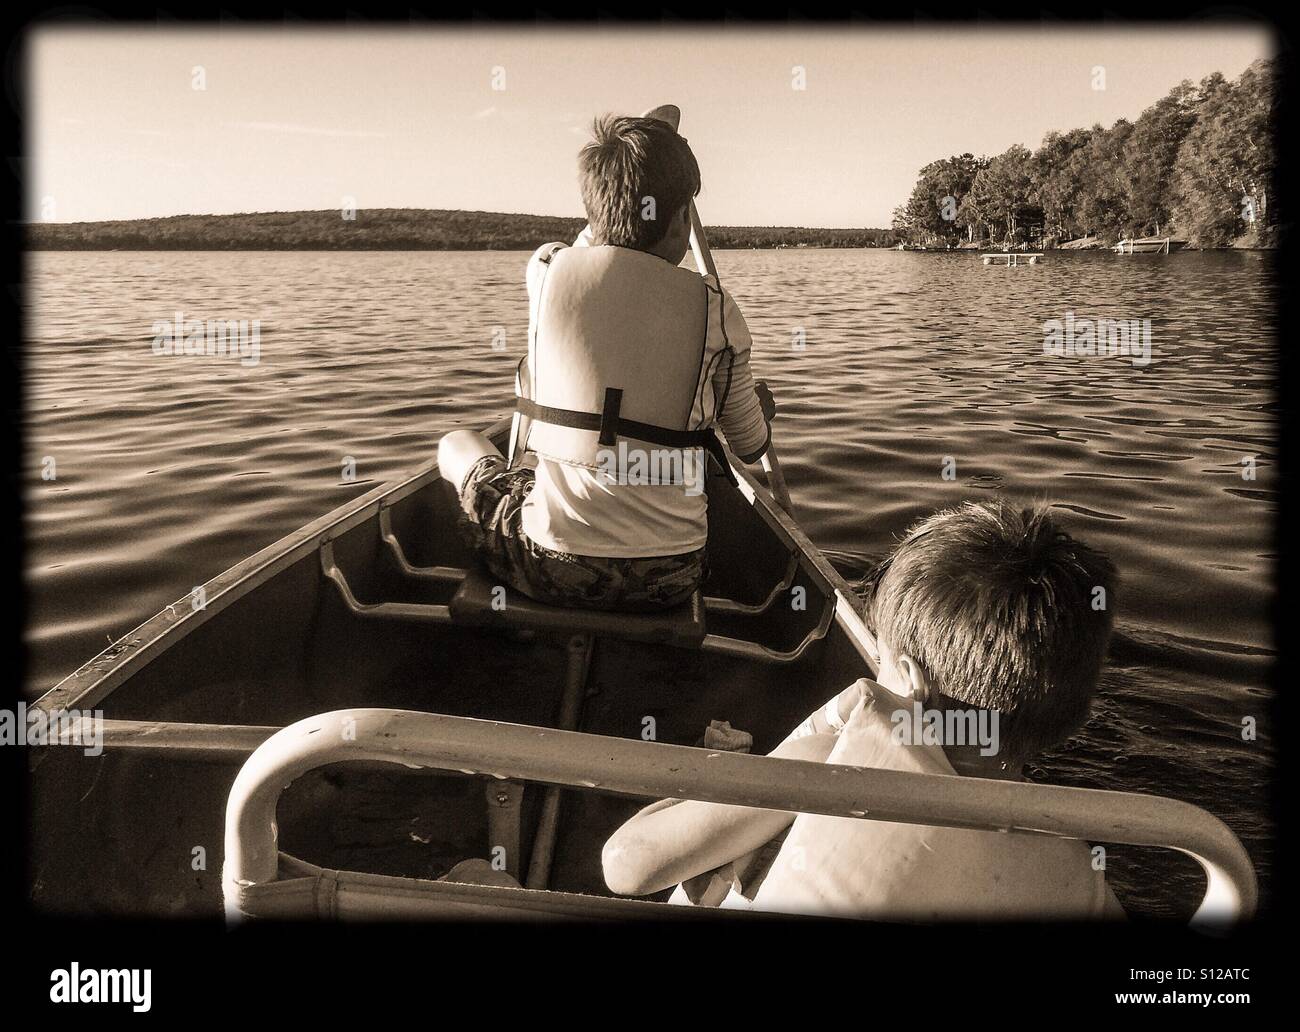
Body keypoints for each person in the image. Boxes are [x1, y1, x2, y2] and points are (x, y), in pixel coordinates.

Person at [602, 500, 1127, 919]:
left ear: (911, 684)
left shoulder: (823, 765)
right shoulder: (1075, 864)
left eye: (881, 657)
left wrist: (768, 761)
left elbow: (626, 866)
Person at [438, 113, 774, 612]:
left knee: (456, 443)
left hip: (548, 565)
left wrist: (631, 172)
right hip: (672, 575)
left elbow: (593, 249)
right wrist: (762, 414)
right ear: (683, 217)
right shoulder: (719, 310)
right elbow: (750, 447)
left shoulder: (547, 271)